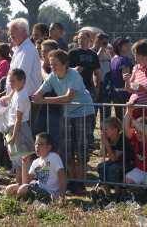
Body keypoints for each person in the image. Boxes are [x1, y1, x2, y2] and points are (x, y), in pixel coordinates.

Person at [32, 50, 95, 195]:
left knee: (81, 148)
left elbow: (68, 98)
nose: (52, 67)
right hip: (67, 114)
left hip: (83, 112)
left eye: (56, 64)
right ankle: (73, 181)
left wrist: (44, 100)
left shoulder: (74, 75)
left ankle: (80, 182)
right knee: (66, 149)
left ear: (65, 64)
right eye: (51, 64)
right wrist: (33, 97)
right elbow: (38, 93)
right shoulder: (52, 77)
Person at [5, 132, 66, 202]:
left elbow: (63, 179)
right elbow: (26, 182)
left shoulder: (54, 157)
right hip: (38, 187)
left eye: (41, 144)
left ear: (48, 147)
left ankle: (18, 200)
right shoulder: (36, 162)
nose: (37, 146)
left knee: (23, 189)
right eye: (36, 144)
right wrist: (24, 163)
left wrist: (62, 198)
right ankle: (20, 199)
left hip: (49, 193)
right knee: (10, 188)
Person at [6, 18, 43, 134]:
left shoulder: (27, 49)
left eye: (14, 30)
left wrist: (9, 96)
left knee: (24, 138)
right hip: (19, 99)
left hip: (27, 100)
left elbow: (20, 77)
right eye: (9, 30)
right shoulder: (20, 49)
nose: (10, 33)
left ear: (24, 31)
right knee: (18, 138)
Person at [0, 68, 35, 183]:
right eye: (10, 81)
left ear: (22, 82)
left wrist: (14, 137)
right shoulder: (16, 93)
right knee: (15, 157)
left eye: (13, 81)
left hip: (20, 129)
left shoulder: (21, 97)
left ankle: (25, 183)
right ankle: (18, 180)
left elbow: (18, 120)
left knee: (23, 155)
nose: (11, 84)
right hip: (12, 128)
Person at [69, 30, 101, 151]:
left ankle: (87, 142)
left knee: (89, 116)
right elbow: (64, 69)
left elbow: (97, 72)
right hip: (73, 89)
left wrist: (97, 87)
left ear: (89, 40)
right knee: (73, 118)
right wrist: (74, 69)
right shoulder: (72, 53)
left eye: (83, 38)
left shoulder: (93, 54)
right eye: (79, 38)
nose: (80, 40)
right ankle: (74, 144)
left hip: (88, 89)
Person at [97, 117, 135, 198]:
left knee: (113, 169)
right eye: (102, 129)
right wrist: (102, 141)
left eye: (106, 129)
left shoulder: (122, 139)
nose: (103, 132)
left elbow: (114, 158)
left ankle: (118, 193)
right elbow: (102, 154)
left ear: (114, 130)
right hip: (116, 162)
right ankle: (108, 194)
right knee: (101, 166)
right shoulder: (108, 138)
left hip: (127, 162)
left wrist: (107, 144)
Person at [109, 37, 133, 119]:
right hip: (125, 93)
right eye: (126, 45)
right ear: (119, 47)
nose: (128, 48)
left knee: (120, 118)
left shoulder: (112, 59)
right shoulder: (124, 60)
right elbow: (126, 78)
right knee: (127, 120)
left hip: (115, 93)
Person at [92, 33, 112, 121]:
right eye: (104, 43)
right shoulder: (91, 52)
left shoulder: (107, 53)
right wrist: (100, 52)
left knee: (106, 114)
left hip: (106, 84)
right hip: (96, 85)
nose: (106, 46)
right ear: (97, 41)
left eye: (107, 43)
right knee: (93, 112)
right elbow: (92, 63)